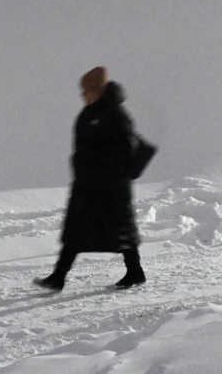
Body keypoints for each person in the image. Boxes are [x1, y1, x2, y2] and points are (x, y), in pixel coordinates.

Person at [35, 66, 146, 292]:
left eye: (86, 90)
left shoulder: (115, 114)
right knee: (76, 232)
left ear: (98, 89)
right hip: (87, 186)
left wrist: (102, 169)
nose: (83, 95)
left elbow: (125, 149)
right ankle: (58, 276)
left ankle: (135, 271)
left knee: (121, 232)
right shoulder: (89, 113)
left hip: (111, 188)